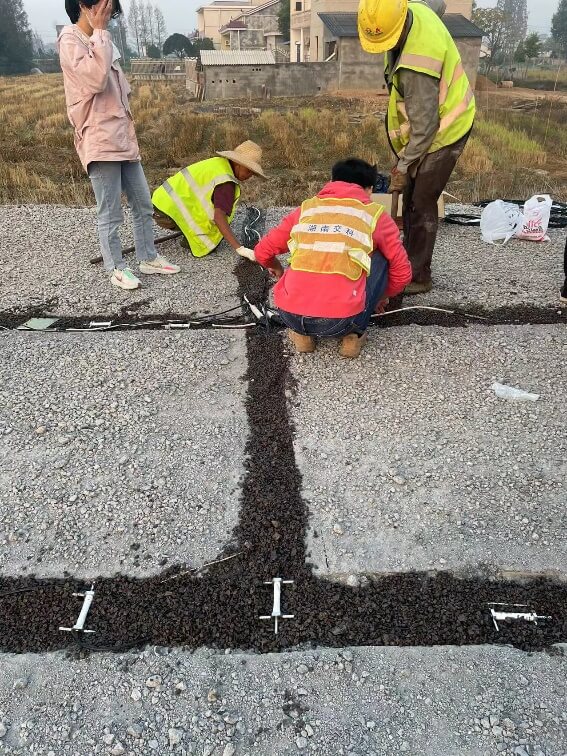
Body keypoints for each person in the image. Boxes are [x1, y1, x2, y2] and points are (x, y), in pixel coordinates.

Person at [58, 0, 180, 291]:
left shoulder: (99, 38)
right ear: (84, 6)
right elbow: (97, 81)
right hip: (100, 139)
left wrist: (101, 35)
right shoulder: (70, 41)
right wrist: (100, 33)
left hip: (122, 137)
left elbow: (119, 91)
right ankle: (116, 268)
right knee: (110, 213)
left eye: (111, 12)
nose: (109, 17)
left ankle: (148, 256)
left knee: (142, 203)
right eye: (105, 10)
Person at [358, 0, 476, 294]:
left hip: (446, 128)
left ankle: (418, 276)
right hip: (427, 125)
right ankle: (404, 257)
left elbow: (426, 130)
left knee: (421, 201)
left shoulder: (416, 70)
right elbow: (438, 4)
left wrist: (403, 164)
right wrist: (405, 166)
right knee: (409, 190)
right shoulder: (414, 8)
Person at [252, 159, 412, 358]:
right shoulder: (375, 215)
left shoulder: (307, 209)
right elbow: (403, 272)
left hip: (289, 315)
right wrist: (380, 296)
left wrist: (275, 266)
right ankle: (354, 336)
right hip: (342, 322)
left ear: (332, 180)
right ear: (369, 189)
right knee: (383, 256)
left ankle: (302, 335)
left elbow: (262, 252)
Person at [152, 141, 266, 261]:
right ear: (237, 163)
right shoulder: (226, 182)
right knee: (211, 242)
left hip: (160, 203)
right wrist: (239, 248)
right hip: (167, 214)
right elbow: (219, 217)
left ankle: (186, 232)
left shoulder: (218, 164)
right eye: (248, 171)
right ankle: (189, 239)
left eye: (252, 173)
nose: (249, 176)